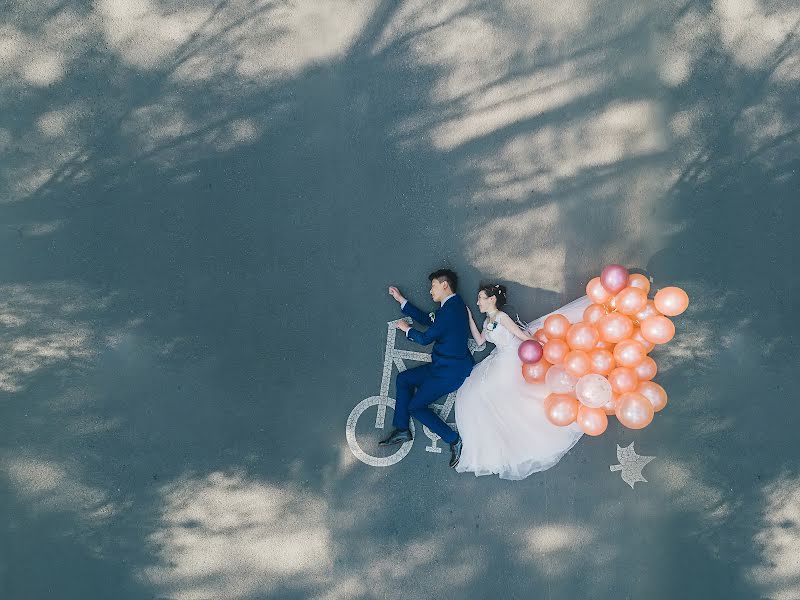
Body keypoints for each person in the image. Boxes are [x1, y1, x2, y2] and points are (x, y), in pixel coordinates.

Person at [455, 284, 590, 480]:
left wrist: (541, 345)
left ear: (492, 299)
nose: (478, 302)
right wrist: (468, 317)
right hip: (499, 357)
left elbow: (521, 336)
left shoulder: (502, 318)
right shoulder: (487, 321)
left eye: (480, 298)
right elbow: (480, 341)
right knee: (477, 390)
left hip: (512, 357)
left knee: (497, 392)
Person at [381, 269, 473, 468]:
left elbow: (424, 339)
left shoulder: (450, 312)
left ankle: (454, 440)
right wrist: (401, 300)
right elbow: (428, 319)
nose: (430, 291)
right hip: (443, 366)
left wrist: (406, 329)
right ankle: (402, 429)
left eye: (433, 286)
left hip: (449, 372)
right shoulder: (451, 306)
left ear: (444, 285)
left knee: (416, 406)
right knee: (404, 379)